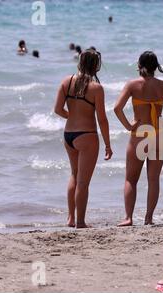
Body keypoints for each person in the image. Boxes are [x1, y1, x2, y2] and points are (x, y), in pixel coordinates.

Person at [114, 51, 163, 226]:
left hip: (140, 134)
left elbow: (117, 108)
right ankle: (148, 218)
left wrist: (127, 125)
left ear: (139, 65)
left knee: (131, 179)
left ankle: (129, 218)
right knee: (153, 179)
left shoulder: (132, 85)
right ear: (156, 67)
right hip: (159, 134)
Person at [54, 49, 112, 228]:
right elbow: (102, 119)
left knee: (74, 175)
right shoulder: (96, 88)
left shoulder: (66, 81)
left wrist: (71, 117)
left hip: (68, 135)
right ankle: (80, 222)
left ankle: (71, 218)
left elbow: (57, 109)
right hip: (87, 136)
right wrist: (108, 145)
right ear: (96, 66)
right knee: (83, 183)